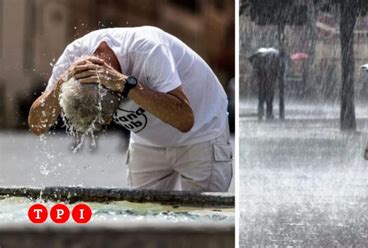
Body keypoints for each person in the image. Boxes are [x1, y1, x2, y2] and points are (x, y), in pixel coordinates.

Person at [28, 26, 233, 192]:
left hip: (201, 131)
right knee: (144, 220)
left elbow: (185, 120)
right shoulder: (73, 57)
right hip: (147, 140)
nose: (109, 123)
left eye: (107, 118)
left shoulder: (148, 49)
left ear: (117, 95)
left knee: (204, 221)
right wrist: (59, 86)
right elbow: (37, 126)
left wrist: (126, 84)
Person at [249, 48, 285, 120]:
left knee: (262, 99)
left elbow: (257, 73)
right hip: (269, 82)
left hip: (263, 83)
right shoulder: (274, 58)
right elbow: (276, 72)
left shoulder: (261, 60)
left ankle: (261, 113)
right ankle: (268, 113)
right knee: (269, 99)